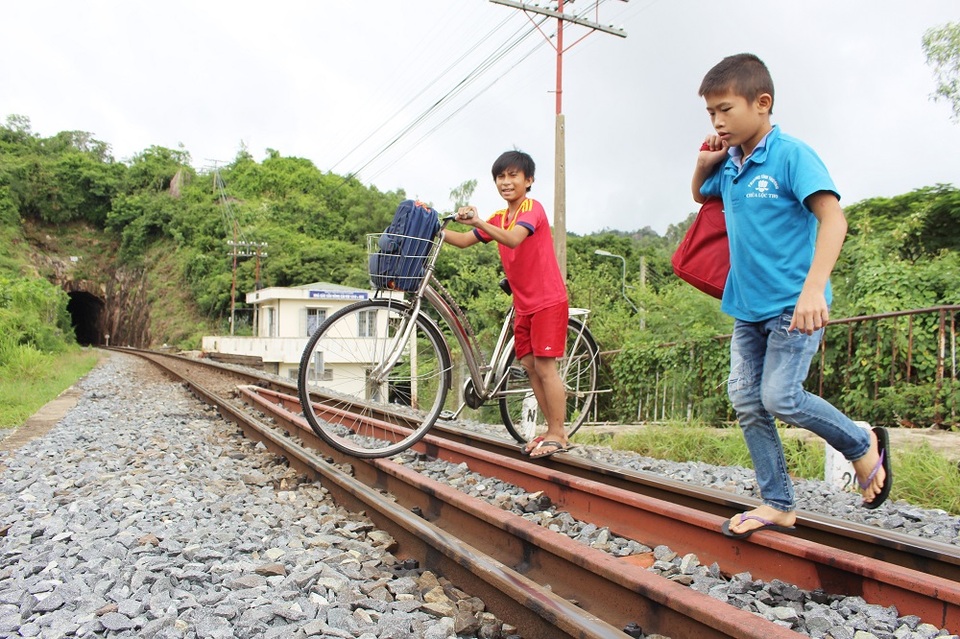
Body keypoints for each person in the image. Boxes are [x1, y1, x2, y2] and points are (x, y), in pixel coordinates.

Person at [690, 53, 893, 538]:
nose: (718, 121)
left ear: (762, 104)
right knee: (747, 401)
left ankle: (860, 442)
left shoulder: (790, 154)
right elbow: (701, 195)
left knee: (780, 396)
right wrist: (704, 163)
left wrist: (813, 290)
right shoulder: (732, 162)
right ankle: (778, 503)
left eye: (725, 109)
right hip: (747, 307)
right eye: (710, 113)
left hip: (792, 305)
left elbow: (834, 218)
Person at [443, 149, 571, 460]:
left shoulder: (532, 209)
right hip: (523, 303)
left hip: (548, 300)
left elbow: (513, 239)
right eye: (500, 176)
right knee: (528, 366)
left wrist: (479, 222)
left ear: (529, 181)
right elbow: (462, 241)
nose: (506, 181)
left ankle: (559, 433)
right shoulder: (499, 217)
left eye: (513, 175)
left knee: (545, 367)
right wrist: (432, 227)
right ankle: (550, 429)